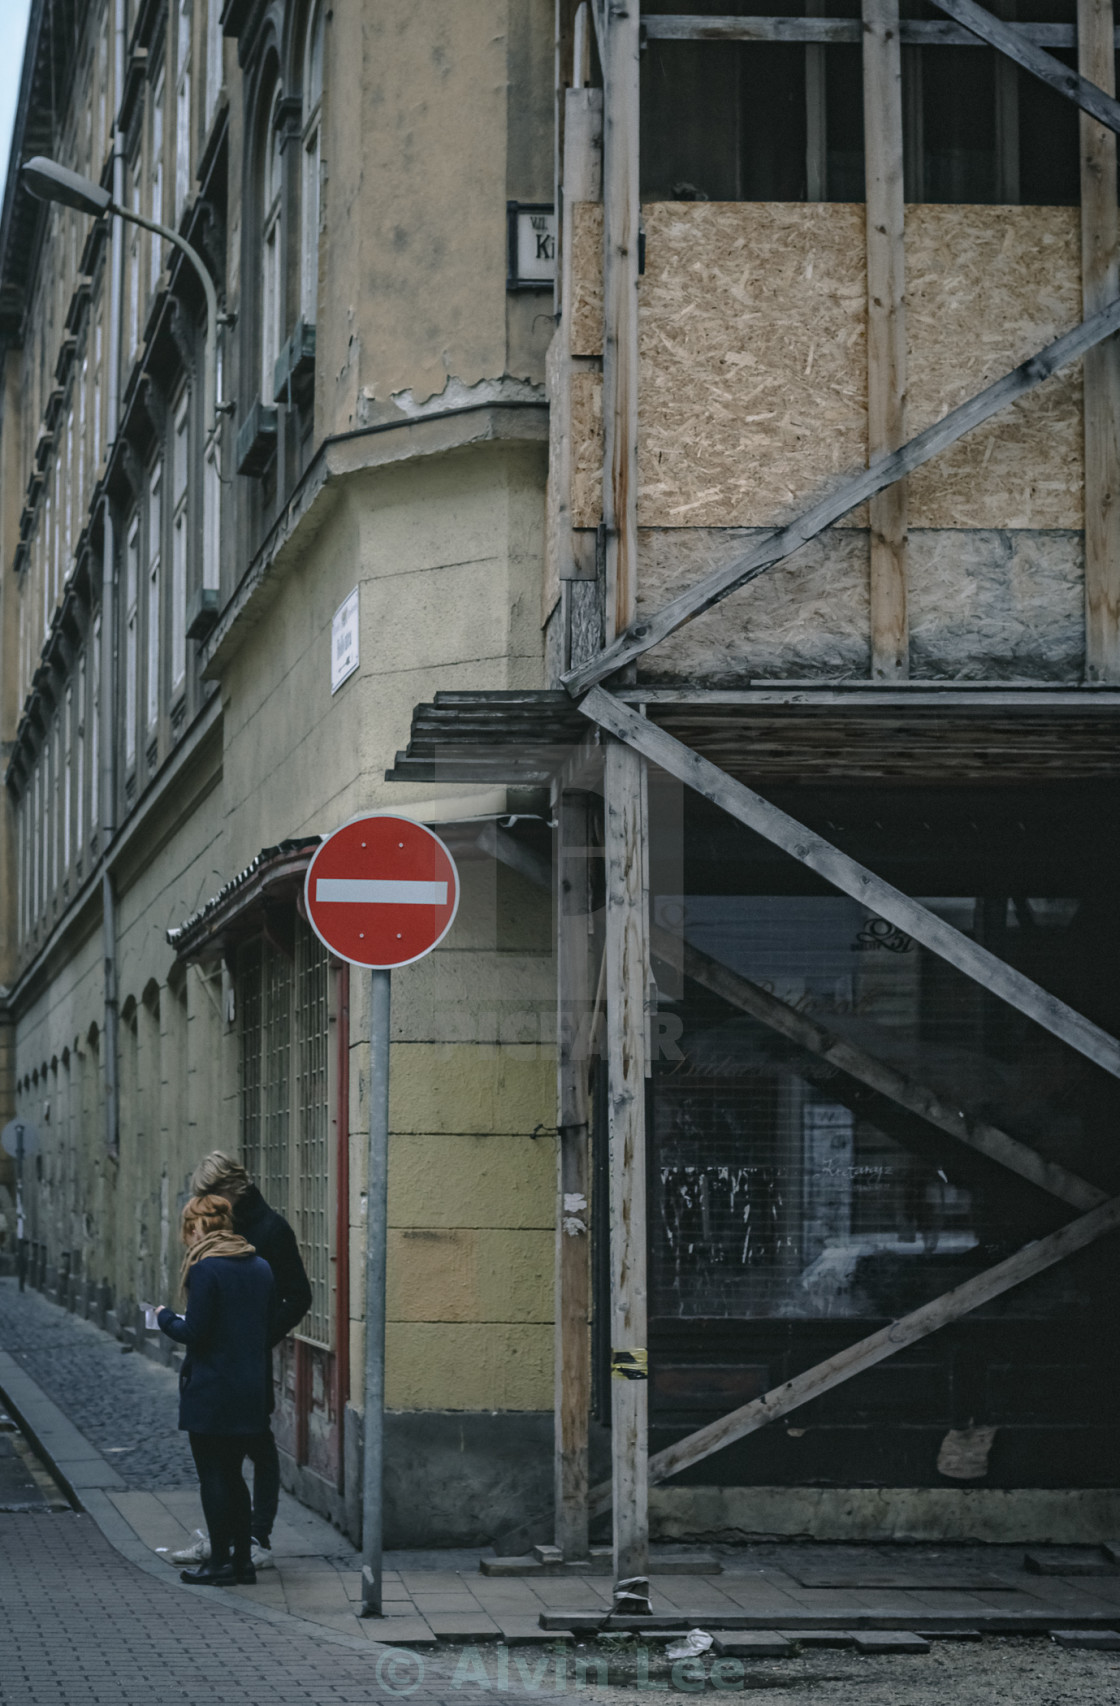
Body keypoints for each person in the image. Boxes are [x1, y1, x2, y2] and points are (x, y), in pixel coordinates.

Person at [170, 1153, 312, 1571]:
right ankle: (229, 1541)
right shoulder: (222, 1223)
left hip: (247, 1360)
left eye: (211, 1195)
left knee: (258, 1448)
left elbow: (299, 1295)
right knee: (225, 1460)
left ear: (232, 1188)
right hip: (221, 1361)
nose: (206, 1205)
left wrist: (259, 1338)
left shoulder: (269, 1229)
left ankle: (254, 1537)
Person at [156, 1194, 275, 1586]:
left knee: (213, 1477)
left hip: (212, 1390)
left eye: (188, 1229)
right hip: (250, 1388)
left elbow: (195, 1332)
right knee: (235, 1476)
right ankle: (242, 1561)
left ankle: (218, 1563)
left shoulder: (207, 1270)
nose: (186, 1238)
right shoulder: (260, 1267)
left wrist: (164, 1317)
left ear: (200, 1227)